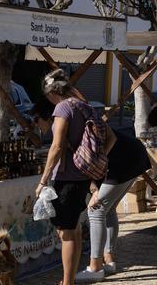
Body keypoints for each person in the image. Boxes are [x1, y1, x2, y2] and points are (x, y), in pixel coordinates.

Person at [36, 69, 116, 285]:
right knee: (74, 228)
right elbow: (111, 137)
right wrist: (92, 160)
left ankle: (67, 282)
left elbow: (57, 145)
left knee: (67, 233)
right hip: (81, 177)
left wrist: (43, 180)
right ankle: (68, 280)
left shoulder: (63, 107)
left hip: (67, 176)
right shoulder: (84, 106)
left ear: (52, 92)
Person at [75, 128, 151, 282]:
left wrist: (95, 186)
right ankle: (109, 261)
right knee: (108, 210)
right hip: (135, 155)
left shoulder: (73, 123)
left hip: (125, 161)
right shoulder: (84, 119)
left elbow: (93, 159)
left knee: (95, 211)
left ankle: (95, 267)